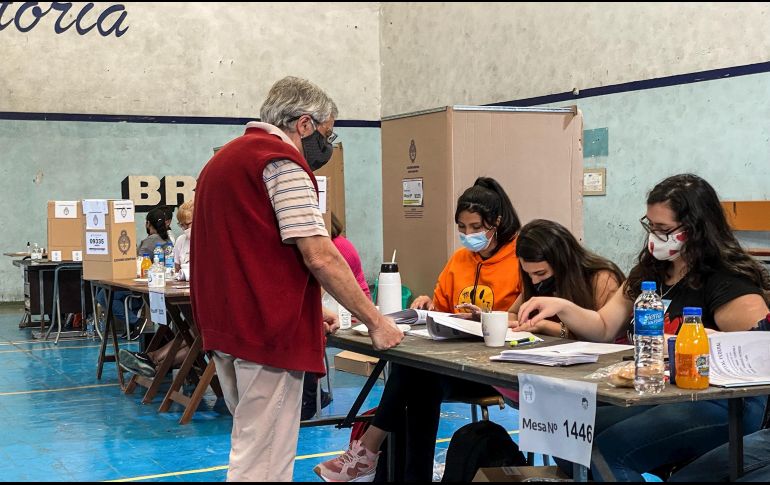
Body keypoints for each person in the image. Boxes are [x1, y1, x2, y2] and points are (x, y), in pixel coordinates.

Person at [190, 76, 403, 482]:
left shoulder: (223, 161)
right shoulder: (280, 163)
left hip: (225, 326)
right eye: (328, 133)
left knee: (250, 445)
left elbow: (250, 251)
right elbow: (320, 254)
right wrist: (376, 321)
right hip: (265, 334)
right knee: (264, 463)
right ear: (304, 124)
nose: (328, 144)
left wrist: (310, 307)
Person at [517, 174, 770, 482]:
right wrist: (562, 307)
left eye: (663, 229)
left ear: (695, 230)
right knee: (569, 433)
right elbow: (604, 326)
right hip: (659, 392)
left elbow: (757, 354)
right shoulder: (650, 271)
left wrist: (689, 343)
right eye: (650, 226)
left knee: (606, 451)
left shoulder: (727, 281)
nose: (654, 236)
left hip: (717, 403)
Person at [315, 177, 522, 482]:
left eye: (476, 227)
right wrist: (428, 305)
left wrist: (491, 319)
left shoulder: (519, 259)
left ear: (497, 222)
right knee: (419, 374)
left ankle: (368, 451)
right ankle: (396, 469)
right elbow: (443, 308)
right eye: (461, 228)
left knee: (417, 377)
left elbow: (523, 320)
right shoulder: (460, 260)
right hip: (454, 364)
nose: (468, 235)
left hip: (493, 370)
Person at [302, 212, 370, 420]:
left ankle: (309, 397)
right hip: (327, 304)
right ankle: (309, 394)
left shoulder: (337, 248)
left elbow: (332, 290)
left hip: (349, 309)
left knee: (303, 330)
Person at [119, 200, 194, 377]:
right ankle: (153, 361)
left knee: (196, 335)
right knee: (192, 333)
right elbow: (176, 268)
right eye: (181, 225)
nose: (184, 229)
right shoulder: (181, 240)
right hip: (191, 297)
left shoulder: (209, 239)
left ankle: (154, 360)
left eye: (187, 224)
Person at [96, 207, 172, 340]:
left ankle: (134, 321)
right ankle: (132, 321)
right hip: (163, 280)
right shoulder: (168, 239)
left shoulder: (150, 241)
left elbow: (138, 263)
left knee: (103, 295)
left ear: (148, 223)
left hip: (146, 283)